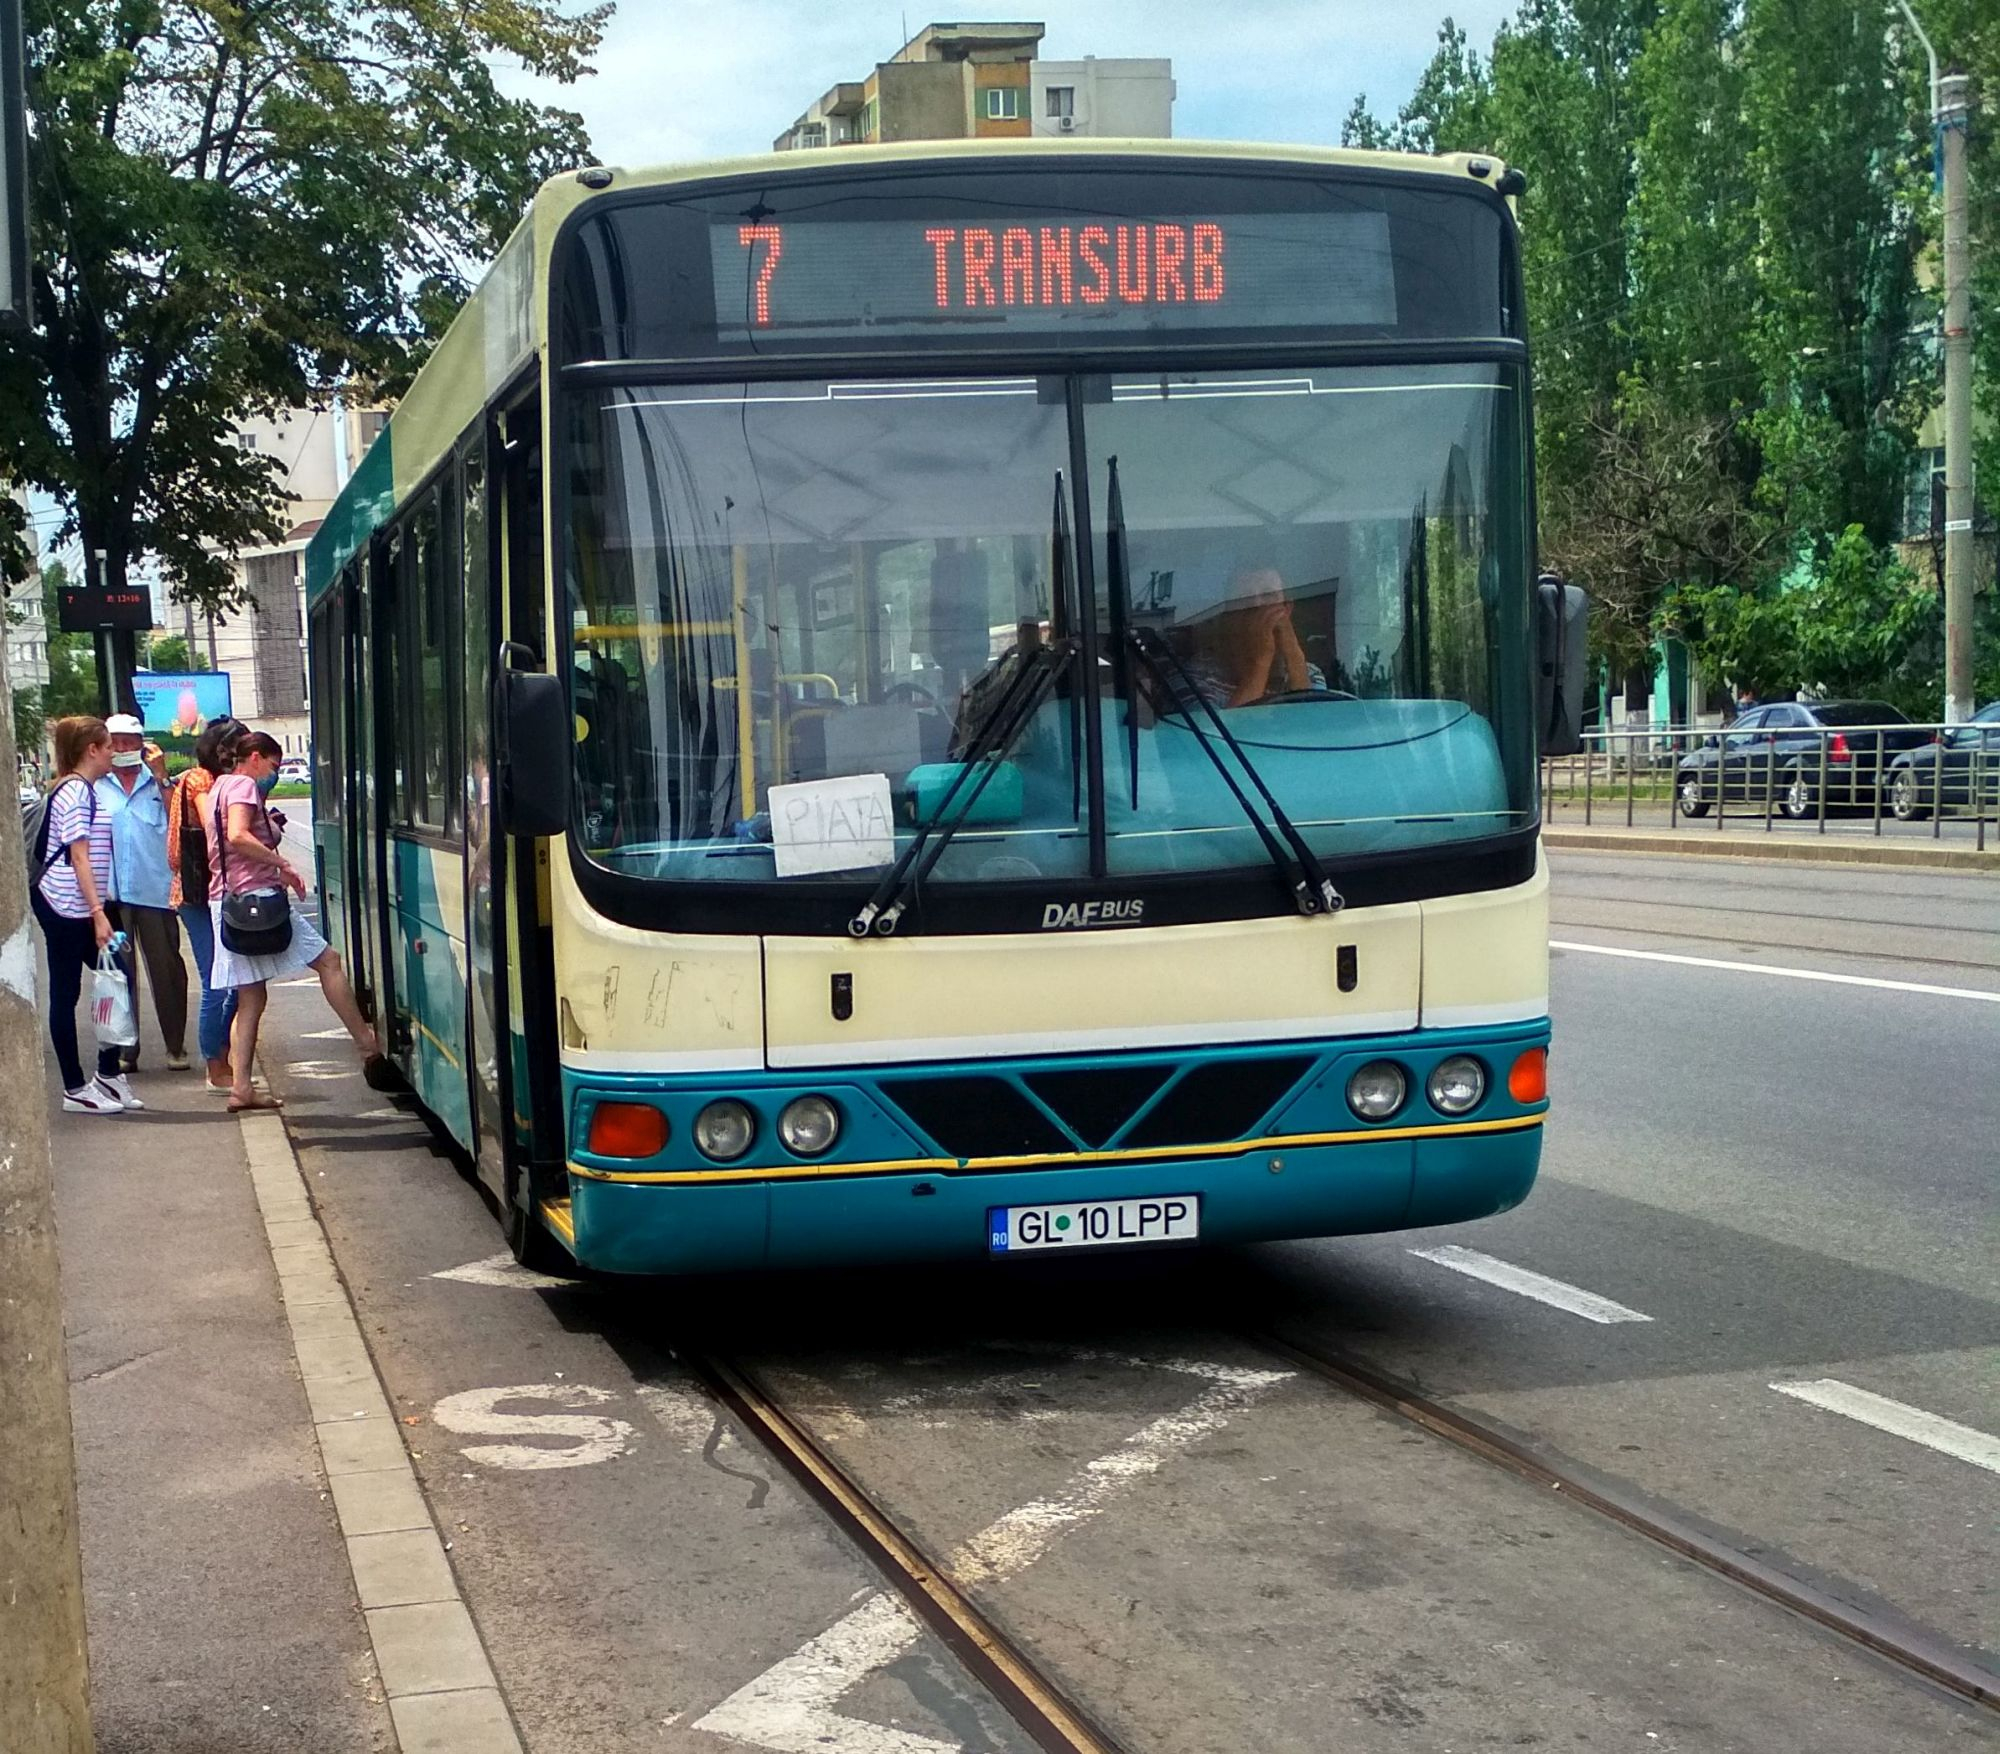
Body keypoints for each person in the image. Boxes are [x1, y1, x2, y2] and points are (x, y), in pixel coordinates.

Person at [205, 729, 380, 1111]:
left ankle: (240, 1088)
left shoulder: (218, 787)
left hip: (228, 902)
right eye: (273, 765)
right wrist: (281, 863)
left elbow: (228, 845)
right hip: (258, 903)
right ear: (254, 757)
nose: (275, 773)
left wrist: (275, 867)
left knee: (251, 997)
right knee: (328, 961)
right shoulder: (244, 789)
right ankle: (367, 1043)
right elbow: (236, 835)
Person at [29, 716, 139, 1115]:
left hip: (74, 903)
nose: (114, 751)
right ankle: (77, 1087)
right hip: (66, 905)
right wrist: (98, 913)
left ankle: (106, 1075)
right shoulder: (76, 792)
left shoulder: (79, 789)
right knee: (69, 990)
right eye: (108, 745)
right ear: (92, 749)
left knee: (116, 979)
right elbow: (78, 855)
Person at [94, 711, 189, 1073]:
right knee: (120, 973)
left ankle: (175, 1046)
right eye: (114, 743)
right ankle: (125, 1049)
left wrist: (162, 776)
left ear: (143, 745)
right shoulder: (97, 786)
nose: (122, 749)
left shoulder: (160, 784)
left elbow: (176, 826)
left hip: (156, 892)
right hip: (113, 897)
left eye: (129, 743)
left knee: (166, 970)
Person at [169, 716, 243, 1092]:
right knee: (217, 981)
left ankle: (222, 1054)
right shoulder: (199, 779)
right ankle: (215, 1064)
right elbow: (214, 826)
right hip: (197, 893)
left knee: (236, 981)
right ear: (223, 750)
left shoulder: (219, 781)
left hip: (216, 890)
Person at [1180, 564, 1327, 710]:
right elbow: (1216, 732)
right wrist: (1261, 661)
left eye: (1268, 595)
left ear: (1287, 608)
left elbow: (1316, 726)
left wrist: (1294, 655)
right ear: (1230, 613)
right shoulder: (1194, 677)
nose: (1257, 604)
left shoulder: (1310, 673)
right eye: (1244, 597)